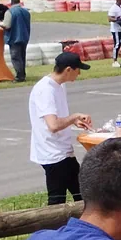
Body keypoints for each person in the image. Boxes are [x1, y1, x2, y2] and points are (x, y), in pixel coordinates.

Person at [29, 51, 93, 205]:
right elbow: (53, 125)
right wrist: (74, 117)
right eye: (78, 70)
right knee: (57, 201)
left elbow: (58, 119)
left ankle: (81, 225)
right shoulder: (45, 90)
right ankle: (52, 228)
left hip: (63, 152)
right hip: (52, 153)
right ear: (68, 70)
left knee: (83, 195)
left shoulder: (59, 86)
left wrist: (74, 121)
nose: (79, 74)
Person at [0, 0, 31, 82]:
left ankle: (19, 76)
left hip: (14, 37)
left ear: (11, 2)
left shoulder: (9, 12)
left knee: (15, 58)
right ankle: (22, 74)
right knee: (22, 56)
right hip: (24, 36)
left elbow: (7, 25)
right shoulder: (26, 11)